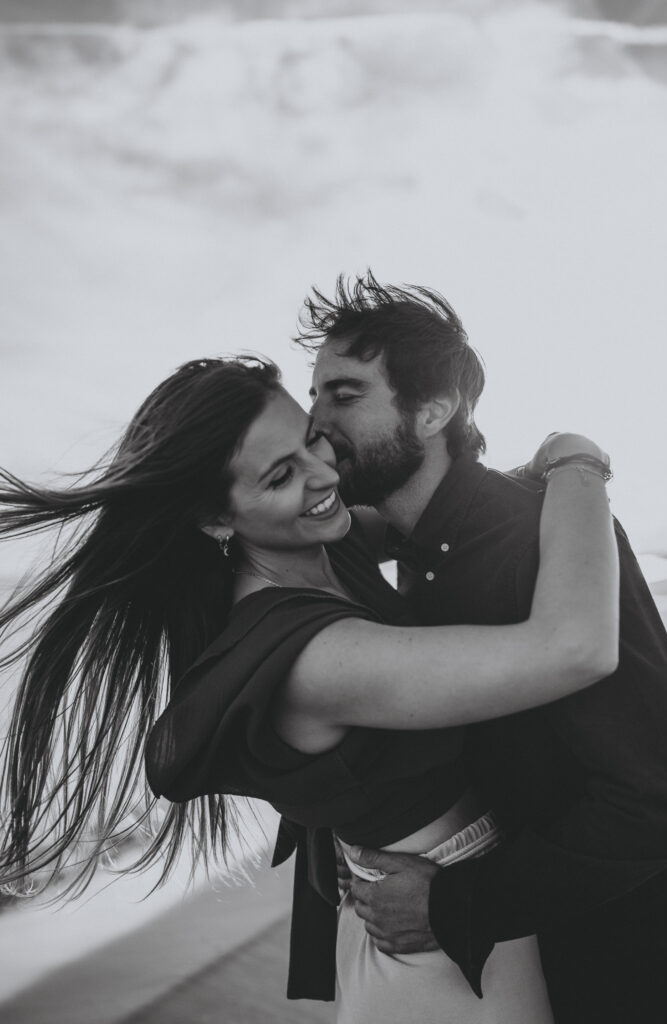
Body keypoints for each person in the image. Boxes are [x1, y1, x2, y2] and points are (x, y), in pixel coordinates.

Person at [0, 356, 617, 1024]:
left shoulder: (329, 543)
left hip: (448, 900)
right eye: (281, 475)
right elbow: (574, 648)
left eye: (311, 439)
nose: (323, 475)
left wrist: (520, 477)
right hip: (432, 953)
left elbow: (443, 519)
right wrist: (576, 462)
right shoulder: (313, 658)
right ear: (216, 521)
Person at [297, 271, 667, 1024]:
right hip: (512, 962)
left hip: (617, 965)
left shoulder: (549, 538)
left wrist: (453, 902)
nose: (313, 423)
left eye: (343, 396)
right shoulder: (408, 539)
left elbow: (659, 793)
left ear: (433, 409)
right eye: (313, 397)